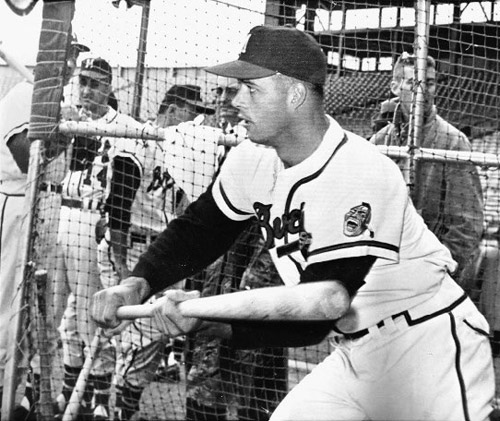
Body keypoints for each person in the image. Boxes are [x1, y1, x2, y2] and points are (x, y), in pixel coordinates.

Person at [91, 25, 494, 421]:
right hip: (354, 350)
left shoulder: (360, 170)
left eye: (252, 89)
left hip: (427, 344)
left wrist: (204, 315)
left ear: (295, 94)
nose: (236, 101)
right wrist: (137, 283)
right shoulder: (254, 155)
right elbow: (201, 229)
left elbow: (324, 303)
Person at [96, 84, 216, 421]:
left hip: (161, 252)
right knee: (121, 337)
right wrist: (121, 265)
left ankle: (117, 409)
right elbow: (118, 205)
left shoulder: (189, 147)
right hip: (130, 247)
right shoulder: (141, 139)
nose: (198, 120)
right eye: (194, 111)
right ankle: (103, 405)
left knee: (147, 340)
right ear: (175, 110)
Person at [184, 80, 287, 421]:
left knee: (256, 364)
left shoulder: (264, 142)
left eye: (234, 93)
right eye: (221, 93)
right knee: (205, 361)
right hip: (216, 263)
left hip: (256, 264)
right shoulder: (201, 140)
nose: (225, 100)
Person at [0, 35, 88, 421]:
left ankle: (19, 390)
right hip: (19, 200)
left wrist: (77, 131)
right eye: (65, 55)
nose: (70, 64)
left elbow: (75, 159)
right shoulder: (26, 96)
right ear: (43, 58)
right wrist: (61, 132)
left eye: (73, 57)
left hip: (47, 202)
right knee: (7, 300)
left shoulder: (49, 99)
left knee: (40, 305)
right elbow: (25, 156)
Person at [53, 56, 144, 420]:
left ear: (109, 87)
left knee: (93, 312)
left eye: (94, 82)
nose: (86, 89)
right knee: (65, 314)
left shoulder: (123, 126)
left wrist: (119, 248)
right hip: (61, 211)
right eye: (82, 81)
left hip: (91, 222)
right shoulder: (68, 118)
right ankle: (67, 389)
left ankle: (101, 398)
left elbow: (123, 191)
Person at [370, 52, 484, 292]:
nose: (423, 91)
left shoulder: (454, 142)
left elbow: (467, 226)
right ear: (395, 87)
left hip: (429, 277)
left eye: (430, 83)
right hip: (382, 273)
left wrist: (439, 276)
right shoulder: (378, 141)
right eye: (414, 83)